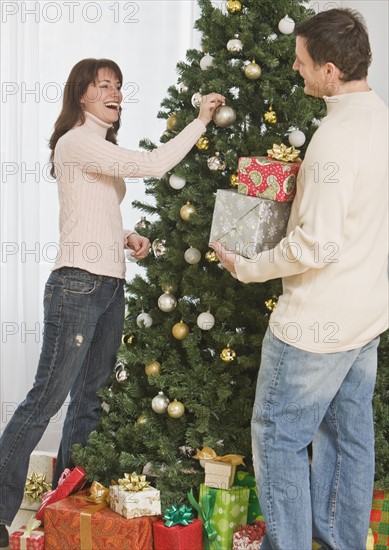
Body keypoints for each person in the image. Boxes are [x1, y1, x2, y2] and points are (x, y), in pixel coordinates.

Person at [0, 57, 224, 544]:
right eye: (105, 85)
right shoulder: (76, 141)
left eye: (119, 86)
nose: (115, 92)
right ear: (81, 93)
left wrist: (124, 235)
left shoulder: (99, 147)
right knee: (45, 400)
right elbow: (151, 165)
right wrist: (200, 121)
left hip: (108, 284)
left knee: (89, 403)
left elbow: (91, 211)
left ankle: (66, 506)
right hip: (77, 284)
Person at [211, 8, 388, 550]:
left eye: (303, 61)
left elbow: (317, 244)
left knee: (278, 440)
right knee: (348, 440)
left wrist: (249, 267)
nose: (295, 68)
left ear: (331, 70)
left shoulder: (334, 137)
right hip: (365, 318)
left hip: (315, 326)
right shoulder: (380, 118)